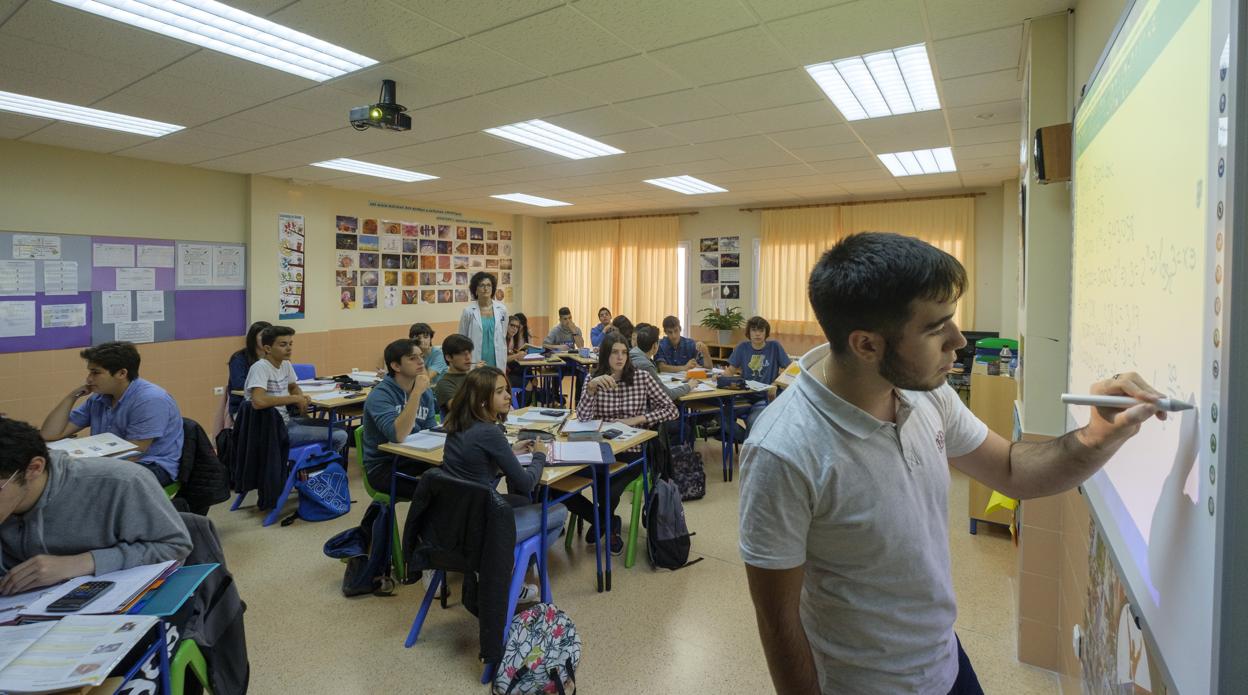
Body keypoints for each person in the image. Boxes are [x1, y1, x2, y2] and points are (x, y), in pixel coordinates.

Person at [738, 232, 1165, 695]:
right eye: (936, 328)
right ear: (866, 345)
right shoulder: (783, 451)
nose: (959, 341)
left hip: (944, 662)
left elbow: (1010, 469)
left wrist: (1097, 436)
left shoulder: (926, 395)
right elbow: (778, 623)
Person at [0, 418, 191, 595]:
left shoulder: (122, 483)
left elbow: (175, 548)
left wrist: (81, 563)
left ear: (34, 468)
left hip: (114, 606)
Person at [441, 367, 566, 602]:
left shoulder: (458, 425)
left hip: (456, 517)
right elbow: (527, 482)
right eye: (500, 392)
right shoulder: (490, 432)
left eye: (506, 389)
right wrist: (539, 455)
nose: (509, 395)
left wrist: (509, 452)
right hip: (480, 525)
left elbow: (475, 464)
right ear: (481, 401)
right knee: (559, 512)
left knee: (520, 501)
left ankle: (501, 563)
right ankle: (508, 574)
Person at [568, 332, 679, 555]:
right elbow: (582, 418)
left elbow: (671, 410)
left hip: (633, 451)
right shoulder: (593, 379)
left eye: (624, 353)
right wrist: (590, 390)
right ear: (605, 355)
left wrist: (639, 419)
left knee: (607, 487)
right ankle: (608, 523)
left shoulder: (641, 377)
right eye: (614, 353)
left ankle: (604, 523)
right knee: (563, 485)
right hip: (600, 449)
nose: (620, 358)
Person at [40, 341, 184, 486]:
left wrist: (84, 465)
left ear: (122, 373)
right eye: (90, 372)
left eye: (96, 373)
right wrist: (72, 396)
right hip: (113, 462)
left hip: (151, 467)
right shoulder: (99, 397)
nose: (89, 379)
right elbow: (50, 434)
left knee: (75, 483)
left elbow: (133, 453)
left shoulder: (150, 400)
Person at [243, 326, 347, 456]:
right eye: (283, 345)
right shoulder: (260, 368)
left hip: (286, 421)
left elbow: (293, 386)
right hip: (272, 430)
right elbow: (258, 401)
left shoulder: (285, 364)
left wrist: (300, 398)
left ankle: (312, 463)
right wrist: (293, 399)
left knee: (341, 426)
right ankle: (316, 468)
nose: (289, 348)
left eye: (290, 344)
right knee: (340, 435)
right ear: (268, 348)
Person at [361, 339, 437, 499]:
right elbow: (398, 435)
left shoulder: (425, 392)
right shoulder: (380, 395)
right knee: (435, 494)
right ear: (396, 366)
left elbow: (431, 431)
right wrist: (416, 393)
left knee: (459, 481)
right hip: (383, 466)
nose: (421, 361)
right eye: (412, 358)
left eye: (420, 356)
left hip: (415, 457)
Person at [726, 316, 791, 434]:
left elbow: (790, 370)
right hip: (744, 395)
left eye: (761, 331)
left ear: (766, 333)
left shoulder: (774, 347)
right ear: (748, 332)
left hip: (764, 397)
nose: (757, 334)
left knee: (754, 421)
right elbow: (730, 370)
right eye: (754, 330)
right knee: (720, 415)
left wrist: (775, 384)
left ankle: (748, 446)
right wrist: (718, 378)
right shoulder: (742, 347)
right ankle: (745, 441)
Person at [631, 324, 695, 402]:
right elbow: (667, 395)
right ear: (655, 345)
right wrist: (689, 386)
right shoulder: (645, 365)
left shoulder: (632, 354)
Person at [458, 272, 508, 369]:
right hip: (476, 361)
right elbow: (462, 339)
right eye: (482, 285)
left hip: (497, 359)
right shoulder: (468, 312)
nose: (486, 288)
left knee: (497, 383)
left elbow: (503, 335)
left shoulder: (502, 310)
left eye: (489, 285)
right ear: (475, 289)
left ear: (492, 288)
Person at [227, 321, 271, 418]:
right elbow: (238, 384)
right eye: (262, 335)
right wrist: (265, 387)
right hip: (243, 407)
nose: (267, 339)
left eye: (270, 335)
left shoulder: (273, 357)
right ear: (253, 338)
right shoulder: (239, 358)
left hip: (269, 403)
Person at [434, 334, 475, 413]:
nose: (468, 357)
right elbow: (458, 409)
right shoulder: (444, 383)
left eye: (469, 352)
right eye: (462, 353)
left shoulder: (473, 376)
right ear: (448, 357)